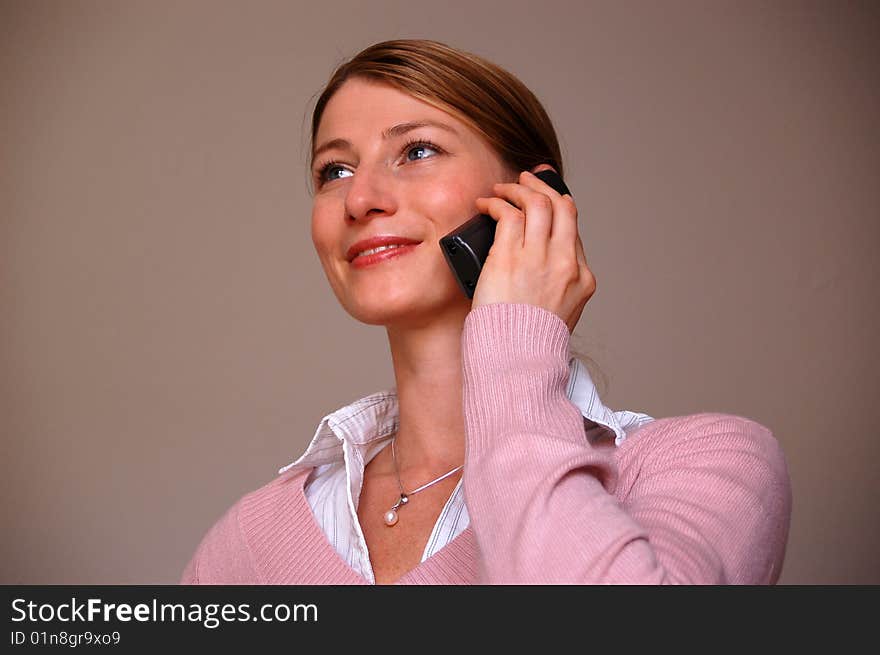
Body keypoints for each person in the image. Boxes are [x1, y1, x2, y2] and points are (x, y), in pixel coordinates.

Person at [180, 39, 792, 585]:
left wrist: (522, 339)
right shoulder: (248, 544)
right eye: (334, 170)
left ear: (535, 196)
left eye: (417, 151)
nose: (360, 199)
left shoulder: (704, 467)